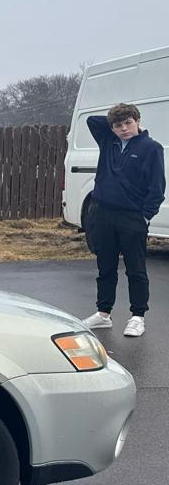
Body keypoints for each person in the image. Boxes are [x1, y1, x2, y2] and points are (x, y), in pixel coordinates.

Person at [81, 102, 165, 337]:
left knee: (135, 269)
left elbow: (157, 187)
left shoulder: (152, 148)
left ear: (138, 121)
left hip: (131, 217)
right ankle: (103, 313)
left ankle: (138, 316)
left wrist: (145, 216)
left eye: (128, 123)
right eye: (118, 126)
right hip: (102, 213)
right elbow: (92, 121)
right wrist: (113, 121)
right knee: (105, 266)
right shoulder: (108, 141)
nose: (124, 129)